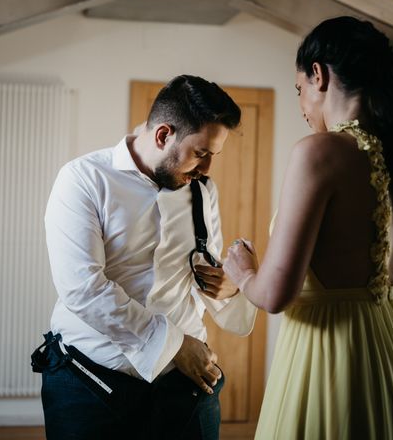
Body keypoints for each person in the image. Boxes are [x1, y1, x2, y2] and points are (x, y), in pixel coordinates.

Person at [223, 16, 393, 439]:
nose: (302, 106)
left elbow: (274, 295)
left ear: (318, 75)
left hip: (331, 360)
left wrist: (243, 271)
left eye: (300, 90)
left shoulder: (320, 152)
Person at [36, 75, 257, 439]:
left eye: (212, 156)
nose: (206, 169)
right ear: (163, 135)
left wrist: (229, 286)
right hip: (90, 382)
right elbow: (83, 289)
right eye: (200, 153)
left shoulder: (202, 191)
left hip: (185, 386)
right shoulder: (83, 179)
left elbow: (206, 267)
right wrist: (173, 346)